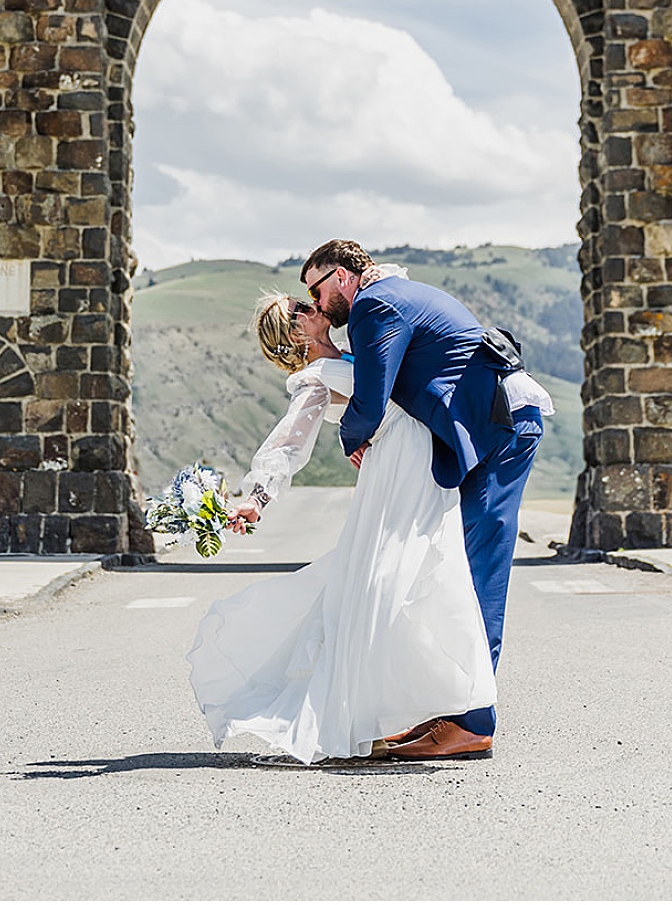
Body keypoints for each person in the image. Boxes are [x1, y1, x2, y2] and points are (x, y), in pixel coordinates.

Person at [187, 284, 497, 766]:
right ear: (295, 332)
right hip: (397, 467)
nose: (315, 306)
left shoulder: (358, 347)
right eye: (303, 308)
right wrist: (258, 496)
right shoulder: (316, 377)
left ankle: (419, 709)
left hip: (417, 459)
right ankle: (362, 718)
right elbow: (290, 440)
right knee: (385, 580)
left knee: (412, 574)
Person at [300, 240, 551, 760]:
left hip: (500, 429)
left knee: (478, 570)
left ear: (344, 277)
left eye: (317, 289)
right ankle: (454, 706)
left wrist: (354, 440)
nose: (317, 304)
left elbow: (371, 399)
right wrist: (332, 355)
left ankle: (475, 722)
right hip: (492, 425)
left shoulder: (375, 304)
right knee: (457, 565)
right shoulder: (393, 297)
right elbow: (388, 372)